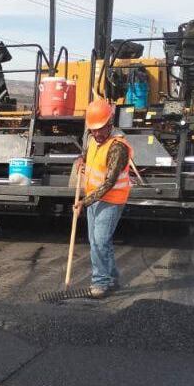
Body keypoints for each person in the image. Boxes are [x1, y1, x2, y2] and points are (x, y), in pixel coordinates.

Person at [74, 98, 133, 299]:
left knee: (99, 242)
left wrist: (84, 202)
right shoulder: (92, 139)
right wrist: (81, 159)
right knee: (98, 242)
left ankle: (100, 282)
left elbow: (109, 183)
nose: (97, 134)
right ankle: (113, 278)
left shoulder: (118, 147)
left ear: (110, 123)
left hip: (112, 199)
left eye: (100, 129)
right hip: (93, 197)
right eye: (93, 129)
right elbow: (87, 154)